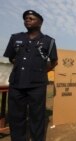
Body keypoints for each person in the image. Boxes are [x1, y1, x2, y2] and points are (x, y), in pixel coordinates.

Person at [3, 10, 58, 141]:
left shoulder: (49, 41)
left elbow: (54, 61)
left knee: (37, 116)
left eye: (31, 18)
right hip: (16, 83)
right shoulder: (15, 38)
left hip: (37, 85)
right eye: (26, 18)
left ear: (40, 22)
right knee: (16, 116)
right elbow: (11, 58)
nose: (27, 20)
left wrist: (40, 71)